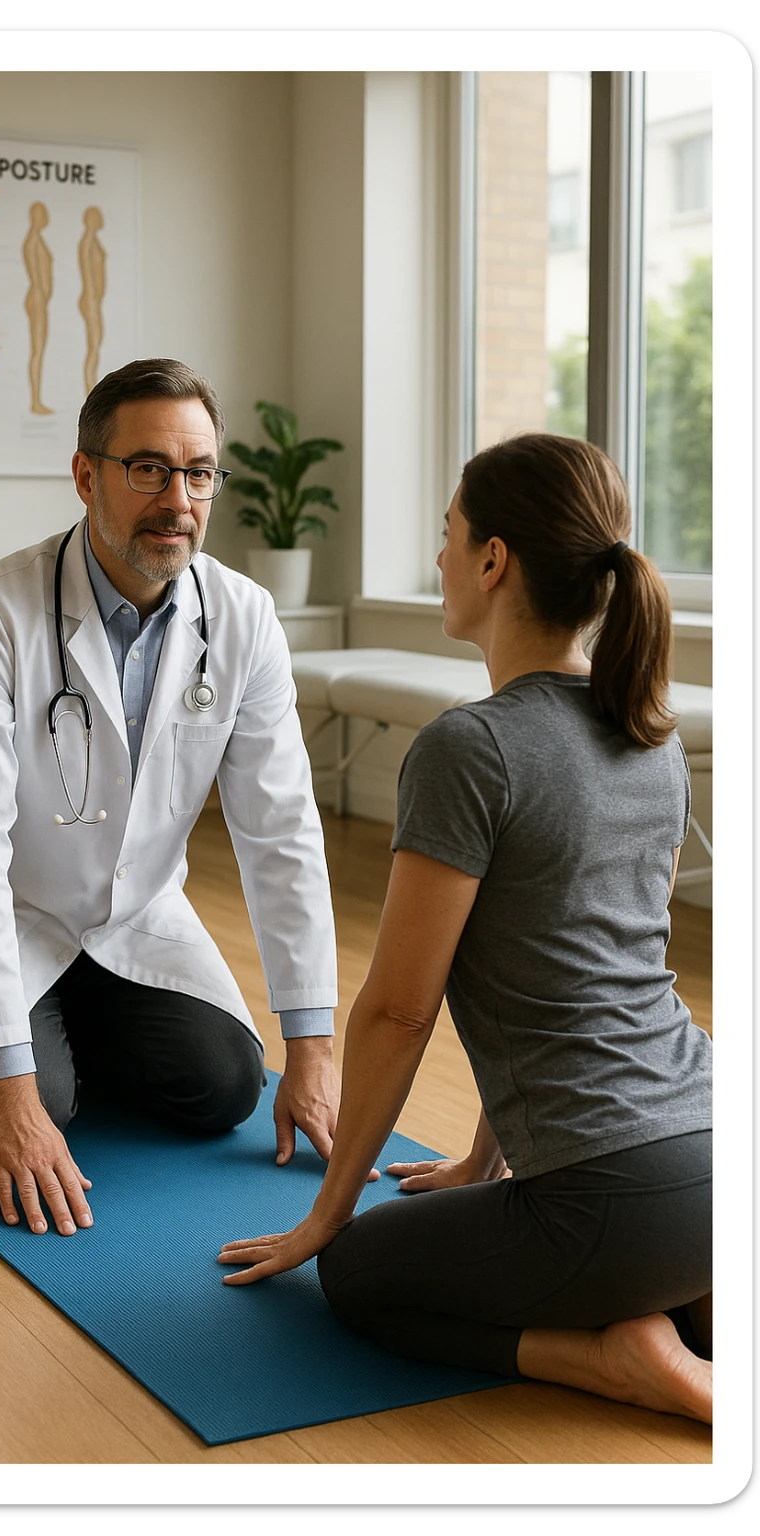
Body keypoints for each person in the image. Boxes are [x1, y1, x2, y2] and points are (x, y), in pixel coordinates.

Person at [219, 432, 714, 1425]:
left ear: (493, 561)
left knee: (360, 1277)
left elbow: (400, 1010)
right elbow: (586, 967)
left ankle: (617, 1358)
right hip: (717, 1163)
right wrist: (479, 1165)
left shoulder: (469, 748)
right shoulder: (652, 742)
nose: (439, 557)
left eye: (446, 534)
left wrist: (327, 1216)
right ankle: (670, 1310)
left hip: (610, 1201)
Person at [0, 357, 344, 1240]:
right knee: (14, 1109)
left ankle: (63, 1011)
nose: (178, 501)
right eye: (149, 468)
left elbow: (281, 830)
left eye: (199, 473)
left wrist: (311, 1048)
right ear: (87, 475)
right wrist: (10, 1095)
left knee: (227, 1085)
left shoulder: (244, 619)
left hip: (131, 909)